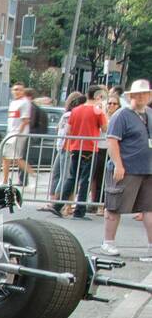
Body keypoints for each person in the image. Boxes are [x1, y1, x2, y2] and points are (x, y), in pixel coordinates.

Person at [100, 79, 152, 257]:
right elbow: (112, 140)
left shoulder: (149, 114)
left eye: (145, 94)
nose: (141, 97)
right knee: (114, 206)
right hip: (126, 168)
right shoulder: (121, 115)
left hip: (147, 169)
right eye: (138, 94)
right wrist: (118, 165)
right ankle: (108, 242)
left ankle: (151, 246)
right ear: (131, 96)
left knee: (149, 208)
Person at [51, 85, 106, 220]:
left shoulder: (75, 110)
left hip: (75, 147)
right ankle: (79, 211)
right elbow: (105, 128)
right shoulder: (97, 111)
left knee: (72, 177)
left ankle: (58, 205)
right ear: (98, 96)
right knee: (85, 179)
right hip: (90, 148)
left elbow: (69, 130)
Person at [0, 82, 32, 185]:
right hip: (11, 133)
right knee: (6, 157)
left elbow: (25, 120)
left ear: (23, 91)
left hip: (18, 134)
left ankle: (34, 175)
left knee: (17, 158)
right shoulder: (13, 102)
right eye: (15, 89)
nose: (17, 92)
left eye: (20, 89)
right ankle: (4, 180)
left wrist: (17, 134)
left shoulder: (25, 102)